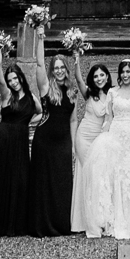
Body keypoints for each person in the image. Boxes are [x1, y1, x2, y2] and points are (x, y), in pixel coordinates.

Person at [76, 59, 130, 239]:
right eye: (122, 72)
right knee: (116, 176)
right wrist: (104, 138)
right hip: (116, 134)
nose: (125, 75)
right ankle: (115, 221)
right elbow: (108, 117)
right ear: (118, 74)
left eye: (128, 72)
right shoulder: (112, 92)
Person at [0, 57, 40, 235]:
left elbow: (40, 112)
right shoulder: (7, 95)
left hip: (20, 141)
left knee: (19, 178)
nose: (13, 83)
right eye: (10, 80)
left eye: (16, 78)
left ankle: (15, 223)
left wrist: (29, 123)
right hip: (3, 139)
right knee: (2, 178)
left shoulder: (31, 97)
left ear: (21, 78)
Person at [27, 53, 80, 236]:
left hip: (63, 141)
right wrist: (40, 35)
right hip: (44, 141)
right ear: (52, 70)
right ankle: (42, 223)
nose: (58, 71)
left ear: (66, 70)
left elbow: (73, 120)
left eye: (61, 67)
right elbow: (39, 64)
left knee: (62, 181)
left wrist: (73, 145)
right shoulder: (46, 88)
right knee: (44, 182)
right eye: (55, 68)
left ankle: (61, 223)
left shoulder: (73, 92)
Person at [72, 62, 114, 234]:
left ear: (107, 76)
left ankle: (100, 218)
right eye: (96, 76)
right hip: (84, 137)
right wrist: (77, 59)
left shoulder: (113, 93)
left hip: (100, 139)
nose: (99, 79)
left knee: (100, 177)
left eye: (102, 75)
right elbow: (78, 78)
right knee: (86, 175)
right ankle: (82, 221)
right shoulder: (89, 93)